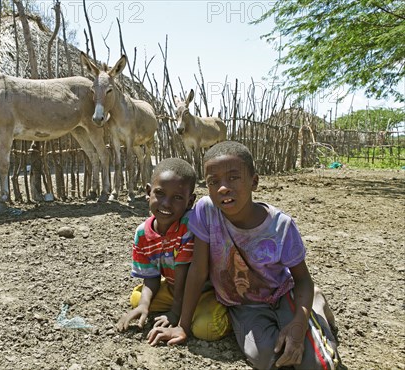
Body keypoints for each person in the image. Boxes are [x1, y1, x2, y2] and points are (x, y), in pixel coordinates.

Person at [147, 141, 340, 370]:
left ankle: (314, 305)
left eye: (233, 177)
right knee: (268, 359)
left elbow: (303, 280)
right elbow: (198, 270)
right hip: (243, 305)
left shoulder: (281, 227)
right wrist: (183, 326)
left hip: (282, 293)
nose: (223, 188)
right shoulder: (206, 211)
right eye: (213, 181)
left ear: (254, 182)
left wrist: (298, 325)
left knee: (316, 364)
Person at [116, 157, 230, 342]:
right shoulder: (142, 234)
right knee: (138, 299)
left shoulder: (190, 224)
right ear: (148, 192)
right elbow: (151, 277)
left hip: (204, 291)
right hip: (173, 288)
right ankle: (182, 312)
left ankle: (218, 313)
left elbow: (185, 270)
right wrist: (144, 305)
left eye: (177, 197)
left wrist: (175, 313)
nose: (166, 204)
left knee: (207, 329)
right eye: (160, 193)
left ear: (190, 201)